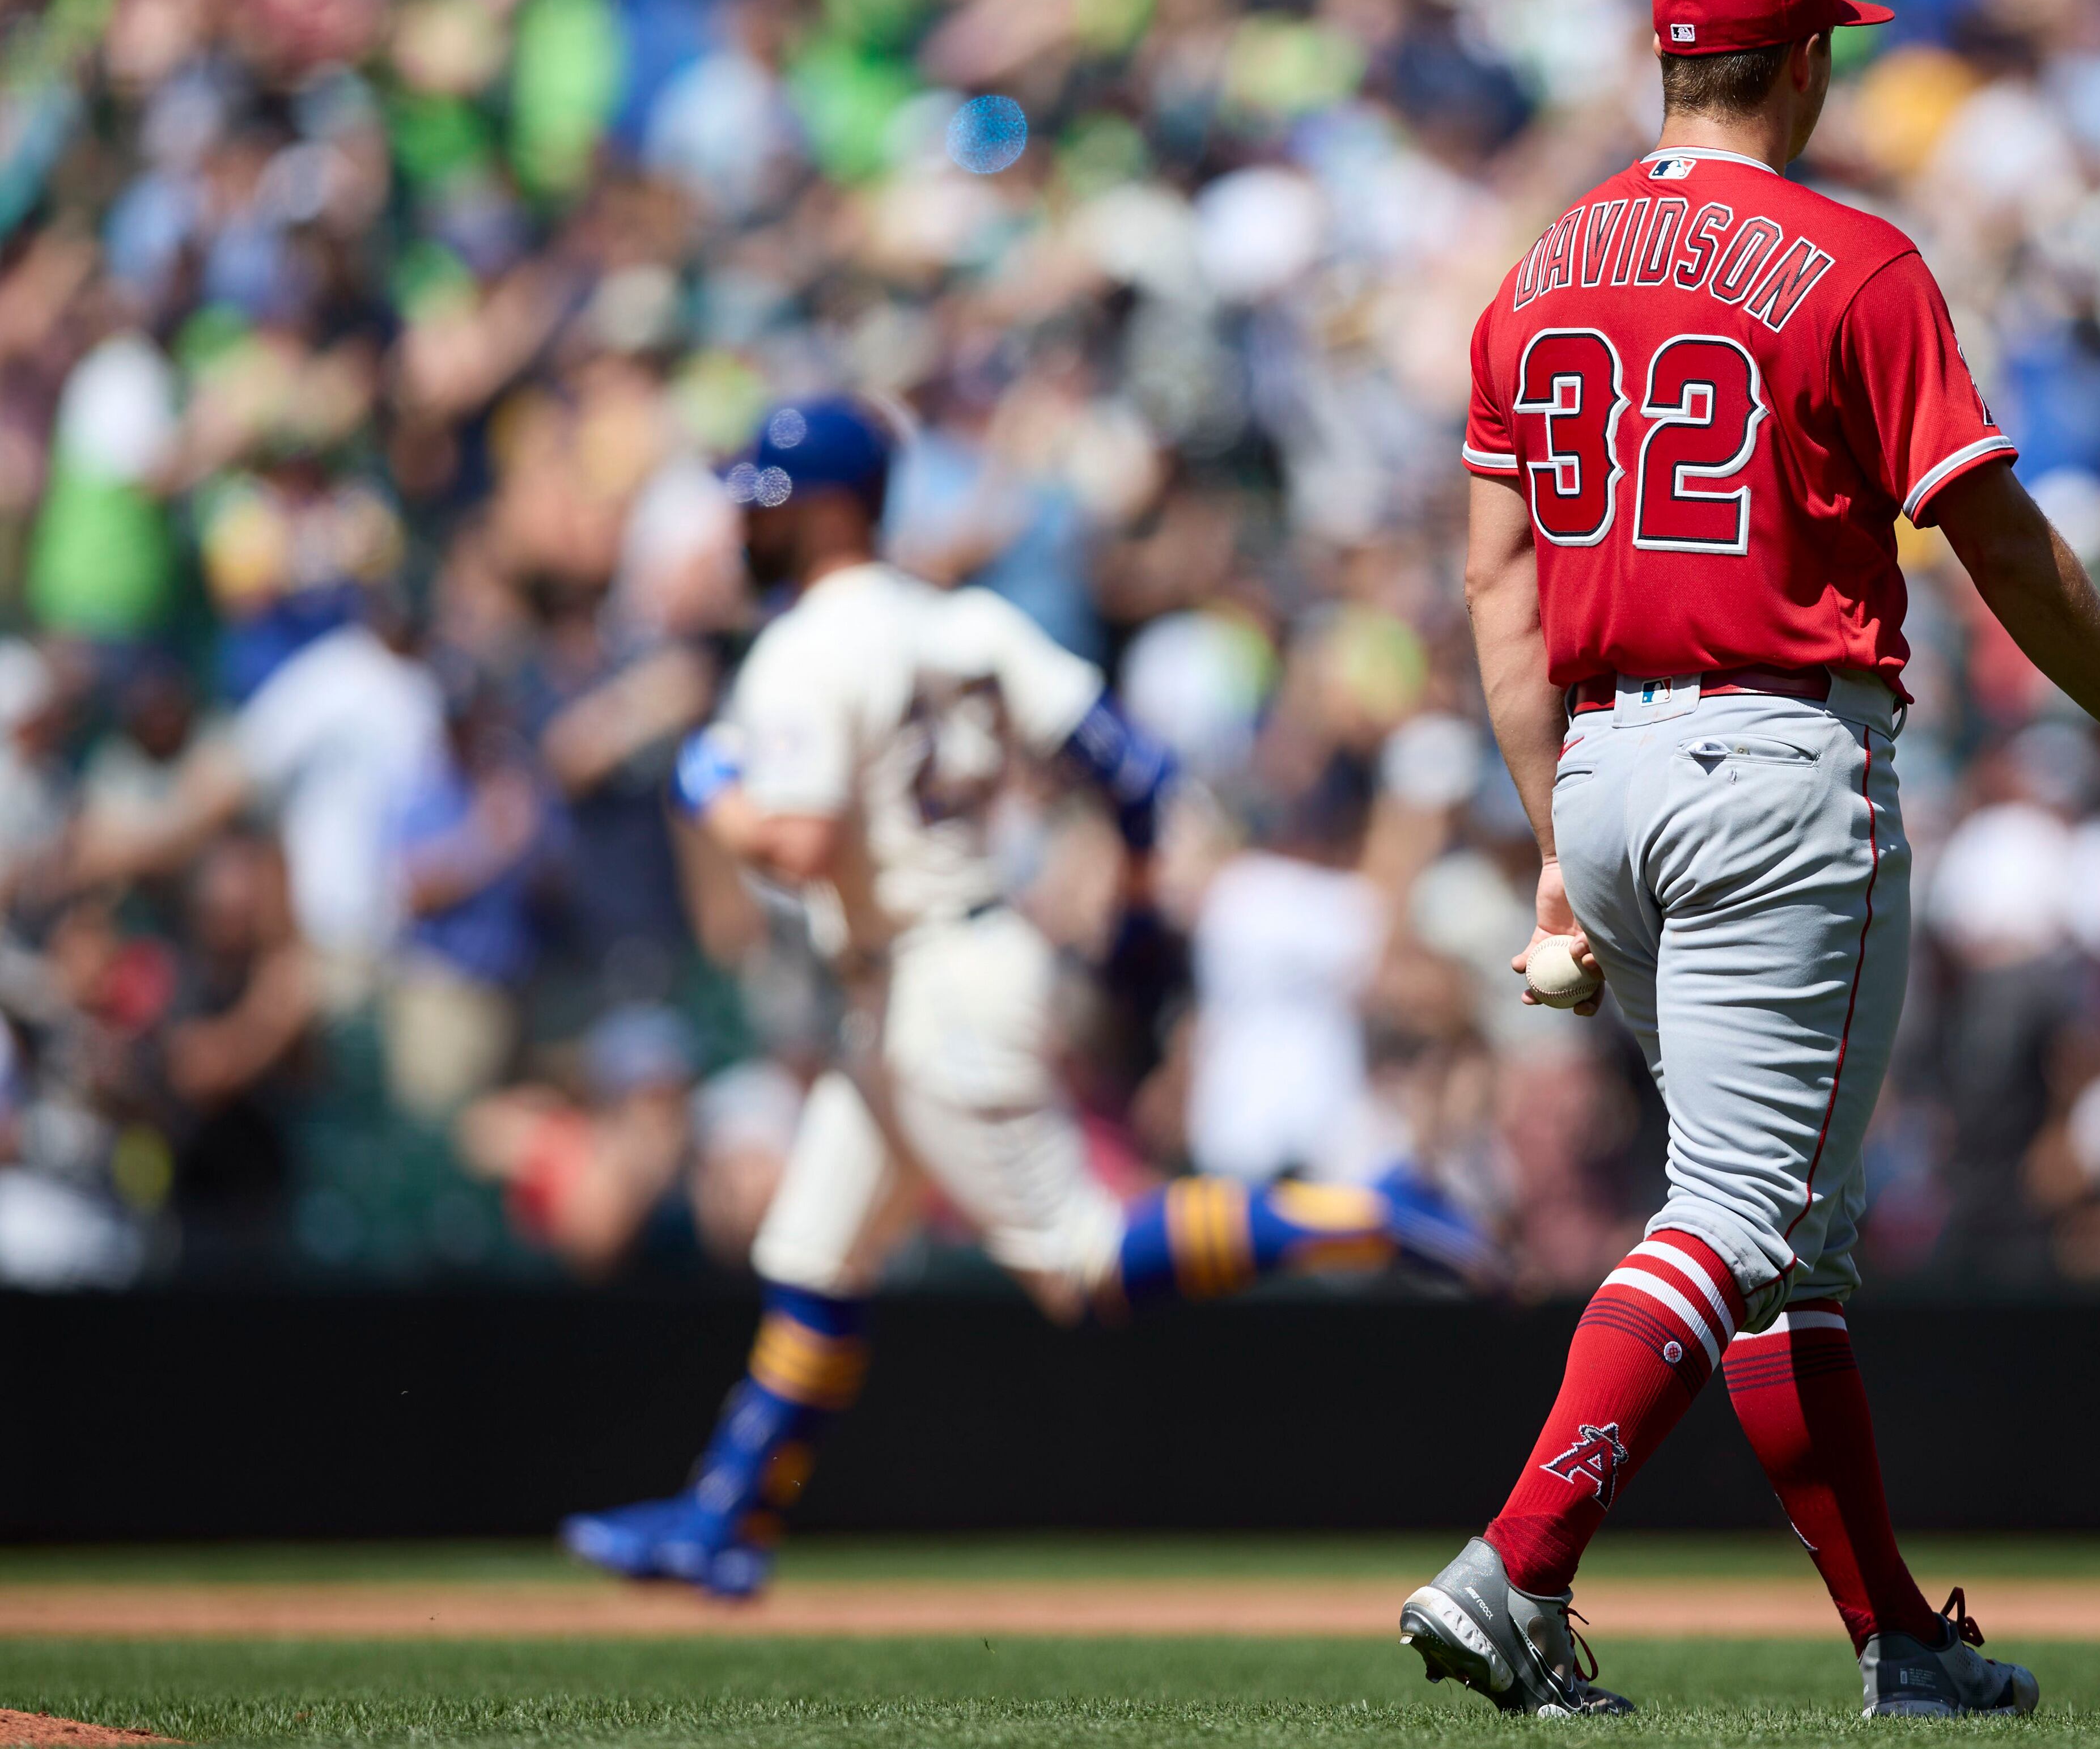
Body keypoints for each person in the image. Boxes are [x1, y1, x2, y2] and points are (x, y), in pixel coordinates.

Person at [1398, 0, 2100, 1721]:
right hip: (1777, 760)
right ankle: (1512, 1565)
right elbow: (1995, 535)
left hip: (1603, 765)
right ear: (1811, 59)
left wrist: (1556, 827)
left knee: (1787, 1240)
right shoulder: (1855, 260)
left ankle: (1896, 1641)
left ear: (1670, 59)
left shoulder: (1538, 267)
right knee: (1740, 1217)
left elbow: (1494, 580)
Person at [560, 397, 1490, 1598]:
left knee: (1081, 1261)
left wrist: (708, 786)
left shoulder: (804, 648)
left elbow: (791, 841)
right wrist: (1142, 912)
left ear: (833, 508)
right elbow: (1134, 768)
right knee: (817, 1250)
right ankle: (722, 1519)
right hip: (938, 970)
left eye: (765, 498)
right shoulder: (964, 621)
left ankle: (1356, 1208)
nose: (744, 517)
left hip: (929, 983)